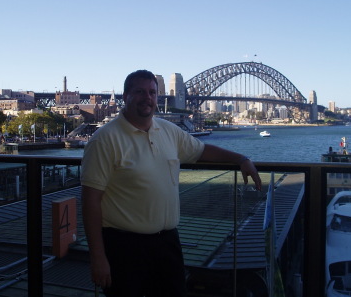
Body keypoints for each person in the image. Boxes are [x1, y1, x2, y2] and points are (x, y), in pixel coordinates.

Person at [81, 70, 262, 297]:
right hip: (123, 247)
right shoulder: (105, 139)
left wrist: (241, 159)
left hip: (167, 243)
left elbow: (202, 150)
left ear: (158, 97)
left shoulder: (167, 131)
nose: (147, 97)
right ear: (126, 96)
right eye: (139, 92)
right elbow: (90, 202)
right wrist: (97, 257)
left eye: (152, 92)